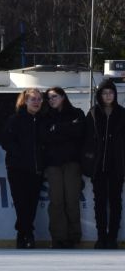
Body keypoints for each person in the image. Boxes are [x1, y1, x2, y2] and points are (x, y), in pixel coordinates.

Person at [0, 88, 47, 250]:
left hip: (36, 169)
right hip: (17, 169)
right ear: (25, 101)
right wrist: (20, 155)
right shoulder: (15, 119)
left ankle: (24, 233)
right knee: (21, 203)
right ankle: (27, 234)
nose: (36, 102)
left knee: (31, 204)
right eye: (33, 99)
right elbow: (6, 141)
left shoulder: (43, 120)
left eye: (39, 99)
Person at [41, 86, 87, 249]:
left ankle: (74, 237)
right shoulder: (45, 117)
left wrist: (57, 129)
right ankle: (58, 237)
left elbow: (80, 132)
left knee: (72, 200)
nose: (51, 100)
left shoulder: (77, 113)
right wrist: (68, 128)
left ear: (63, 97)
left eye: (54, 96)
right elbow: (45, 137)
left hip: (72, 162)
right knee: (56, 201)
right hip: (53, 164)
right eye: (49, 98)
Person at [84, 79, 125, 249]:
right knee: (99, 202)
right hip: (98, 166)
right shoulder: (93, 113)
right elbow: (86, 139)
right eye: (104, 93)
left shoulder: (122, 113)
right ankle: (101, 237)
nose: (108, 96)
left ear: (115, 95)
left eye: (111, 92)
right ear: (99, 95)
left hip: (117, 166)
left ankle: (112, 237)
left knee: (115, 202)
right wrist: (88, 160)